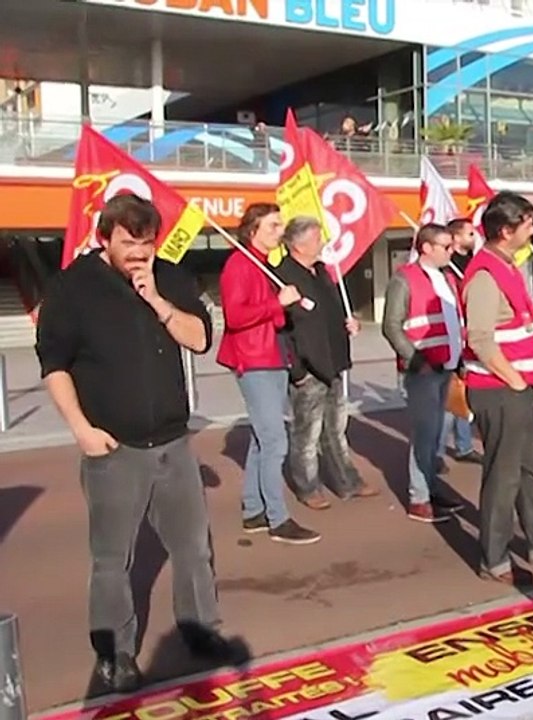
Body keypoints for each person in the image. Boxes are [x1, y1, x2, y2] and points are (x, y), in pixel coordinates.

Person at [36, 195, 243, 691]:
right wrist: (82, 430)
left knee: (193, 547)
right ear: (104, 238)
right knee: (112, 559)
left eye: (147, 243)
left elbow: (199, 339)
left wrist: (157, 302)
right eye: (129, 243)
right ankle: (115, 652)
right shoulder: (73, 288)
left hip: (172, 442)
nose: (139, 253)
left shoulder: (169, 276)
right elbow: (54, 366)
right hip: (114, 448)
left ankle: (199, 630)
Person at [461, 191, 533, 582]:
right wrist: (511, 378)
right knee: (503, 473)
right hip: (499, 387)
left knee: (526, 467)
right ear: (505, 230)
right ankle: (493, 557)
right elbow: (479, 337)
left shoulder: (507, 265)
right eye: (527, 222)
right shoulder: (484, 274)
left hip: (517, 384)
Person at [218, 203, 320, 544]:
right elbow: (235, 316)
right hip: (254, 359)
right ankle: (278, 518)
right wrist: (279, 303)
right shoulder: (239, 265)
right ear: (253, 231)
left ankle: (254, 509)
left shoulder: (263, 265)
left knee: (265, 438)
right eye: (273, 226)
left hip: (272, 356)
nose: (280, 231)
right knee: (275, 439)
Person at [276, 216, 379, 507]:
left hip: (334, 362)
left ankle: (347, 481)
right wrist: (297, 371)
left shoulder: (321, 271)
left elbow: (330, 311)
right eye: (317, 238)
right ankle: (308, 487)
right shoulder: (282, 275)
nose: (323, 243)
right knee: (306, 434)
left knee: (335, 429)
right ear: (299, 244)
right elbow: (283, 329)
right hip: (308, 368)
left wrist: (349, 324)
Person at [381, 223, 468, 523]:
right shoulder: (403, 279)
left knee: (437, 434)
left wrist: (461, 357)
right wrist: (415, 360)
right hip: (422, 370)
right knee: (425, 433)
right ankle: (419, 497)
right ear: (426, 248)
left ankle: (430, 487)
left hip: (447, 365)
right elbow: (391, 325)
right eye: (446, 246)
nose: (452, 251)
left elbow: (454, 320)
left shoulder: (447, 278)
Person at [440, 217, 482, 464]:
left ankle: (464, 446)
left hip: (470, 333)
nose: (474, 237)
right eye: (469, 233)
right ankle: (437, 452)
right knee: (449, 397)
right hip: (453, 334)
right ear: (455, 238)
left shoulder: (474, 263)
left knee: (465, 392)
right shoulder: (446, 269)